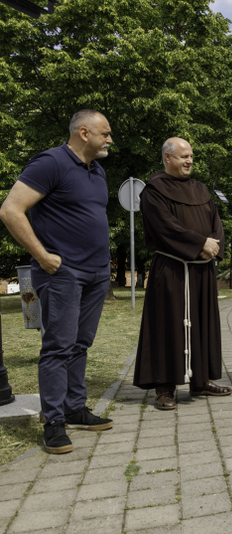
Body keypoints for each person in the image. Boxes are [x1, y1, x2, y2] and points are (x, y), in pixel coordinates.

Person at [0, 109, 115, 454]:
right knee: (58, 347)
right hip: (62, 274)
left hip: (96, 273)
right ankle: (53, 422)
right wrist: (43, 256)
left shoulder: (97, 170)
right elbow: (10, 210)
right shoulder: (50, 163)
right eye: (105, 133)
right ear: (84, 133)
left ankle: (74, 409)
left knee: (80, 344)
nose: (110, 140)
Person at [133, 138, 230, 410]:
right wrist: (200, 244)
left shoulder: (201, 189)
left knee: (203, 324)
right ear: (168, 158)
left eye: (191, 156)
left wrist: (212, 247)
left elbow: (216, 223)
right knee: (168, 326)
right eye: (183, 156)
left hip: (202, 271)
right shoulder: (153, 191)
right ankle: (165, 388)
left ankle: (201, 380)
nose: (189, 161)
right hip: (172, 270)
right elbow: (166, 227)